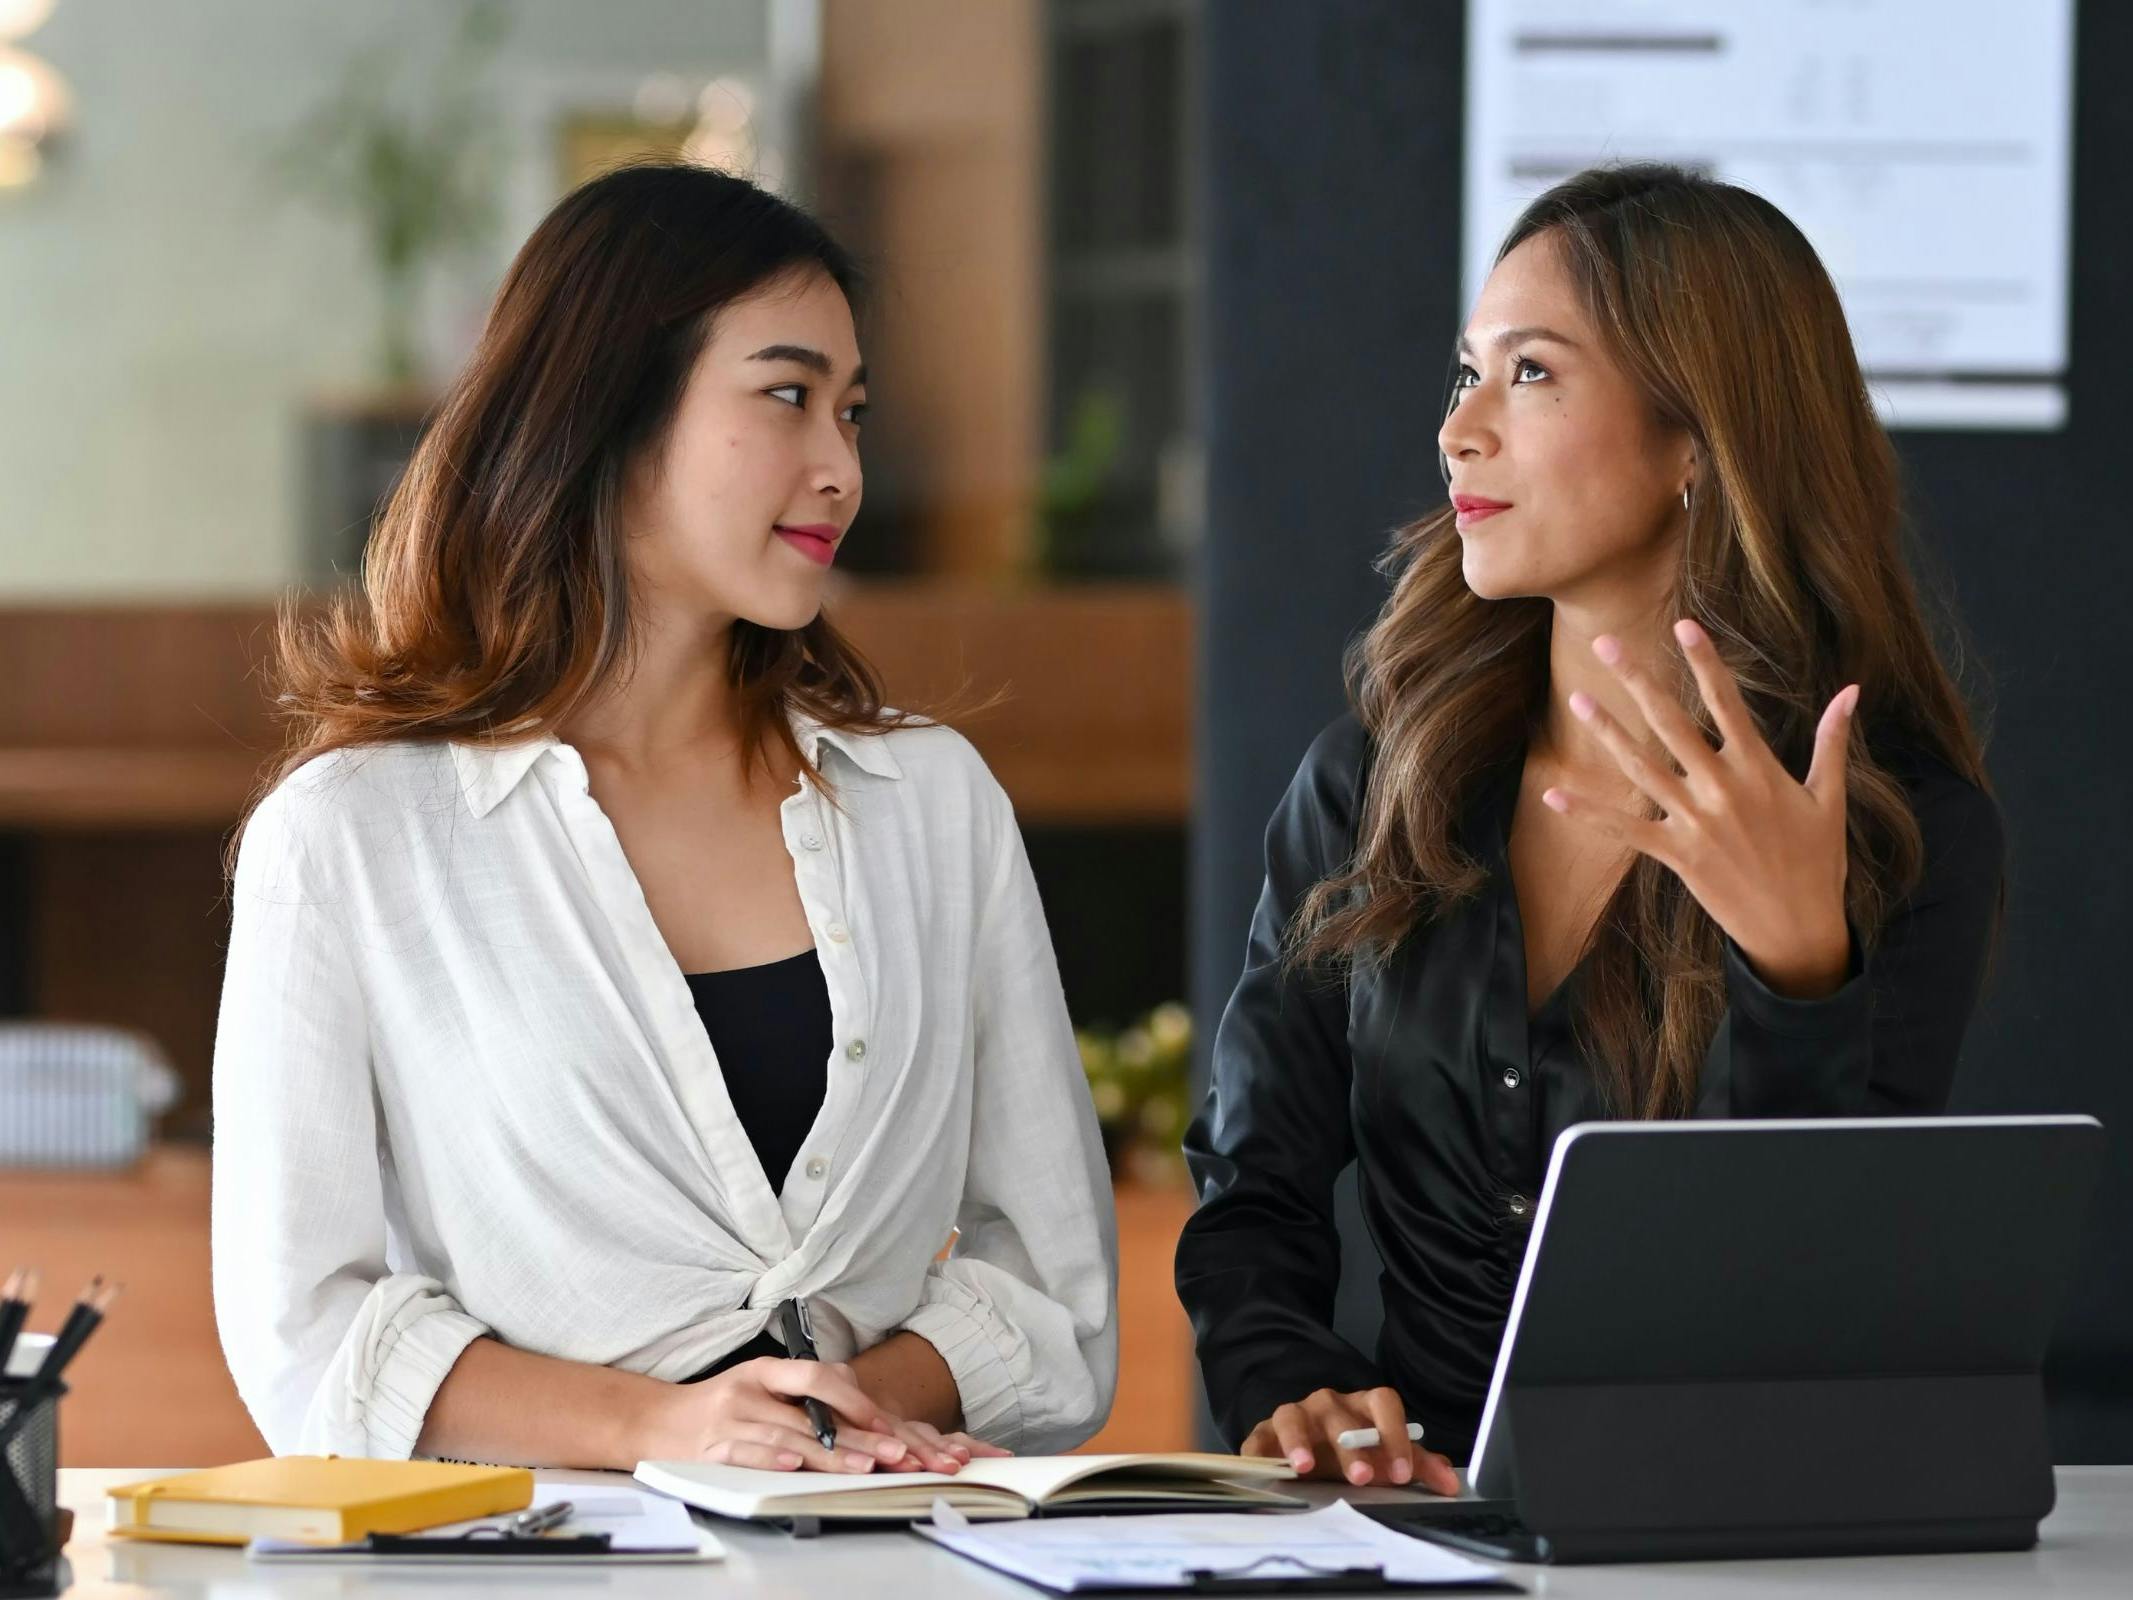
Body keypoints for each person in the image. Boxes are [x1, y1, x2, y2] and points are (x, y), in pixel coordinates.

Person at [213, 163, 1117, 1473]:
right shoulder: (356, 834)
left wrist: (824, 1420)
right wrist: (670, 1427)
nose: (839, 467)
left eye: (851, 414)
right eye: (786, 396)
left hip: (887, 1556)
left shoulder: (931, 804)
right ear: (609, 412)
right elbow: (305, 1332)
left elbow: (1053, 1283)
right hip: (539, 1560)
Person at [1175, 163, 2005, 1498]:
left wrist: (1798, 975)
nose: (1459, 430)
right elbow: (1251, 1184)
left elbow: (1813, 1304)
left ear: (1698, 442)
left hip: (1730, 1532)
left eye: (1533, 375)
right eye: (1465, 374)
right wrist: (1288, 1383)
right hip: (1403, 1534)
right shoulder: (1368, 788)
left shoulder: (1896, 831)